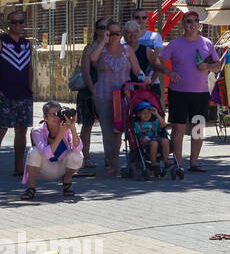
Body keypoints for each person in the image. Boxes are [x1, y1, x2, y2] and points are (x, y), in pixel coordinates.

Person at [157, 11, 217, 173]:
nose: (192, 24)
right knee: (178, 128)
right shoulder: (175, 44)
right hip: (179, 92)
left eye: (195, 21)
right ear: (183, 24)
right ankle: (178, 163)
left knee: (197, 127)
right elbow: (159, 61)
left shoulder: (207, 44)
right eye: (188, 21)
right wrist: (169, 73)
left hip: (200, 93)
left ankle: (194, 162)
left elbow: (217, 65)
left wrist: (208, 67)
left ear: (199, 24)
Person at [87, 20, 142, 177]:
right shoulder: (101, 50)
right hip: (104, 94)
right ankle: (112, 164)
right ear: (106, 33)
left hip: (123, 95)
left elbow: (137, 70)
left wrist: (144, 78)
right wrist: (103, 41)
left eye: (118, 33)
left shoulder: (127, 50)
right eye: (111, 32)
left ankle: (115, 162)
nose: (115, 36)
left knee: (118, 129)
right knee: (108, 131)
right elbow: (92, 59)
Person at [22, 103, 82, 199]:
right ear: (45, 118)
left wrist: (72, 128)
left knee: (77, 155)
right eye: (53, 115)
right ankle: (31, 188)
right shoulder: (37, 130)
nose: (57, 117)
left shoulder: (66, 127)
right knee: (34, 151)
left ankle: (67, 181)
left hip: (61, 169)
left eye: (58, 114)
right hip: (43, 170)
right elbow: (46, 154)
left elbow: (78, 148)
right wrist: (60, 134)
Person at [0, 9, 34, 178]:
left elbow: (29, 67)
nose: (18, 25)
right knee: (2, 129)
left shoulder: (27, 43)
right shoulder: (2, 41)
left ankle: (18, 167)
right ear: (8, 24)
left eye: (21, 22)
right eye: (15, 22)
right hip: (5, 93)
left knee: (22, 131)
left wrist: (30, 88)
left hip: (24, 93)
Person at [75, 19, 107, 173]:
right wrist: (93, 91)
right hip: (90, 91)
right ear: (96, 30)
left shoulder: (112, 47)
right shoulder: (90, 48)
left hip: (107, 90)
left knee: (108, 126)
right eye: (102, 27)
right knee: (87, 125)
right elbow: (86, 71)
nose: (105, 30)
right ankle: (85, 157)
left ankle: (110, 158)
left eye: (107, 27)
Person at [131, 103, 174, 175]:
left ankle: (166, 161)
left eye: (148, 113)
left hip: (156, 138)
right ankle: (153, 163)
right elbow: (138, 135)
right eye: (144, 113)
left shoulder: (155, 122)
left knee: (165, 141)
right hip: (145, 142)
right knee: (154, 143)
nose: (146, 115)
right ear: (139, 114)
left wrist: (156, 114)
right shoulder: (137, 124)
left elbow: (163, 125)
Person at [124, 20, 159, 84]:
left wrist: (150, 82)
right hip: (124, 88)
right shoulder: (120, 50)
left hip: (141, 89)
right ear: (124, 35)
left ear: (139, 34)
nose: (132, 35)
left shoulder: (147, 51)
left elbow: (157, 67)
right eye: (129, 32)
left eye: (135, 31)